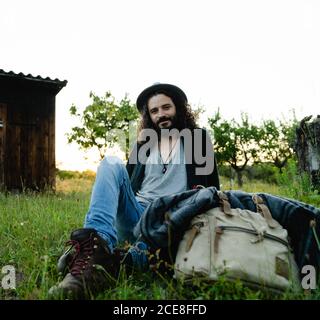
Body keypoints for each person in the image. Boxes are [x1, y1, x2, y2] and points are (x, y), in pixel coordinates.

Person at [49, 83, 220, 298]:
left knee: (152, 255)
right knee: (110, 163)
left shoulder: (198, 140)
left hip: (170, 220)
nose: (161, 115)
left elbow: (212, 189)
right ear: (149, 116)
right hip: (135, 216)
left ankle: (108, 263)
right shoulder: (143, 145)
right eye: (154, 111)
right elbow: (125, 184)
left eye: (166, 107)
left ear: (178, 108)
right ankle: (96, 243)